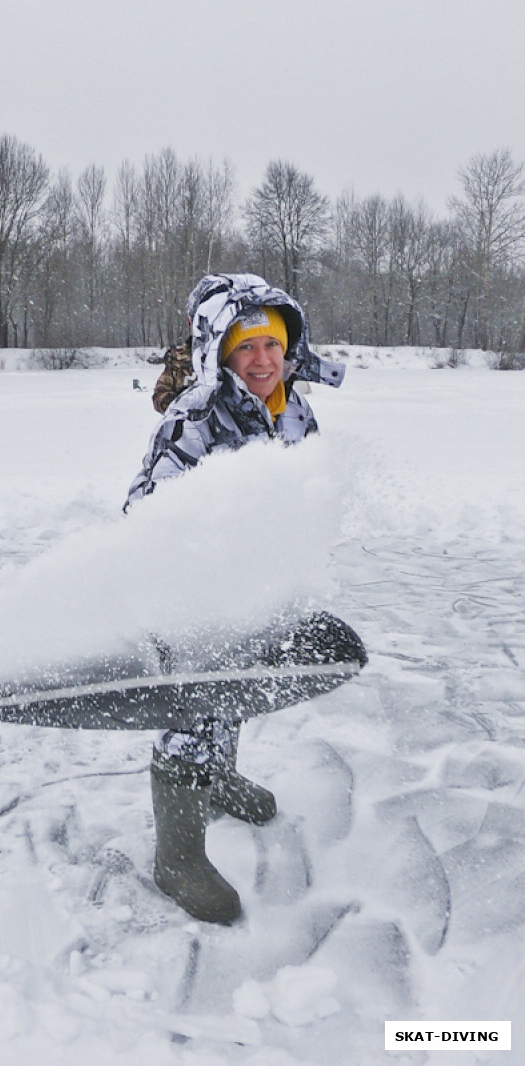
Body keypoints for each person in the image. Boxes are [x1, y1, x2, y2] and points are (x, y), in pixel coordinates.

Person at [124, 272, 365, 924]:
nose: (263, 361)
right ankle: (177, 855)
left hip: (261, 590)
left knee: (235, 692)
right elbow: (145, 514)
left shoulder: (297, 407)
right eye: (245, 348)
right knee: (192, 710)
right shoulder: (195, 418)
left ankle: (217, 779)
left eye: (273, 346)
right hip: (194, 599)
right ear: (221, 354)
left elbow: (306, 484)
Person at [151, 339, 195, 414]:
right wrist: (176, 400)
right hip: (186, 421)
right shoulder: (177, 360)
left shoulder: (216, 357)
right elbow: (159, 396)